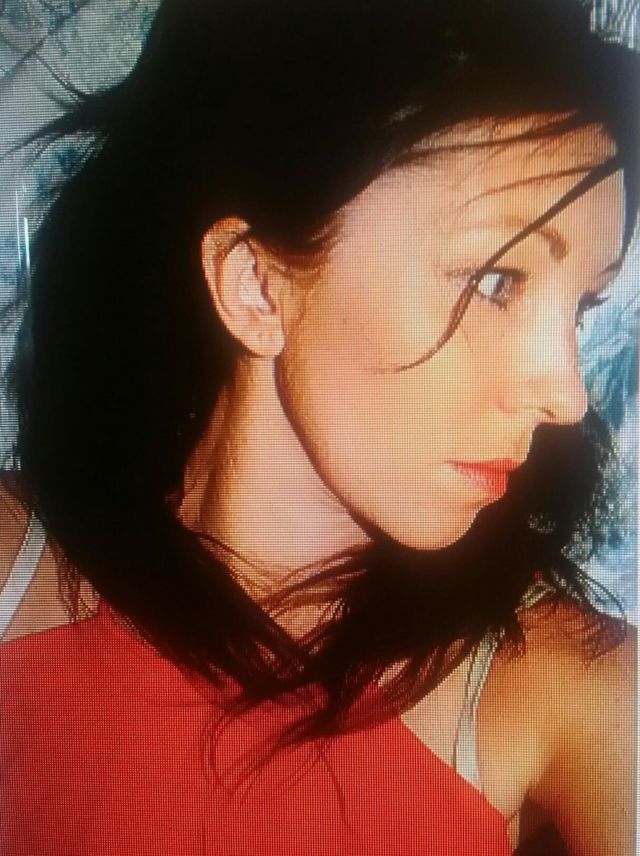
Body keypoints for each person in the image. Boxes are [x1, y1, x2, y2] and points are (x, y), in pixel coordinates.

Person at [0, 0, 637, 853]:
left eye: (581, 309)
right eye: (496, 282)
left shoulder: (568, 686)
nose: (566, 395)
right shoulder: (17, 578)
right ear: (258, 288)